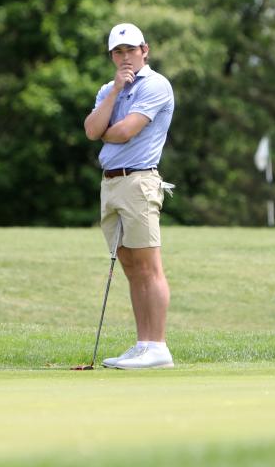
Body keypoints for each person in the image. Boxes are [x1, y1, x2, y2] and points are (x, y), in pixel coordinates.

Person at [84, 22, 176, 369]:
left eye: (131, 50)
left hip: (139, 182)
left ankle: (158, 347)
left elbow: (123, 132)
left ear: (145, 50)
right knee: (130, 267)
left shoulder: (157, 85)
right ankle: (143, 344)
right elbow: (92, 130)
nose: (125, 58)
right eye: (118, 52)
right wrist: (114, 93)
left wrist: (105, 129)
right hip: (110, 183)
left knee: (149, 267)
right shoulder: (109, 88)